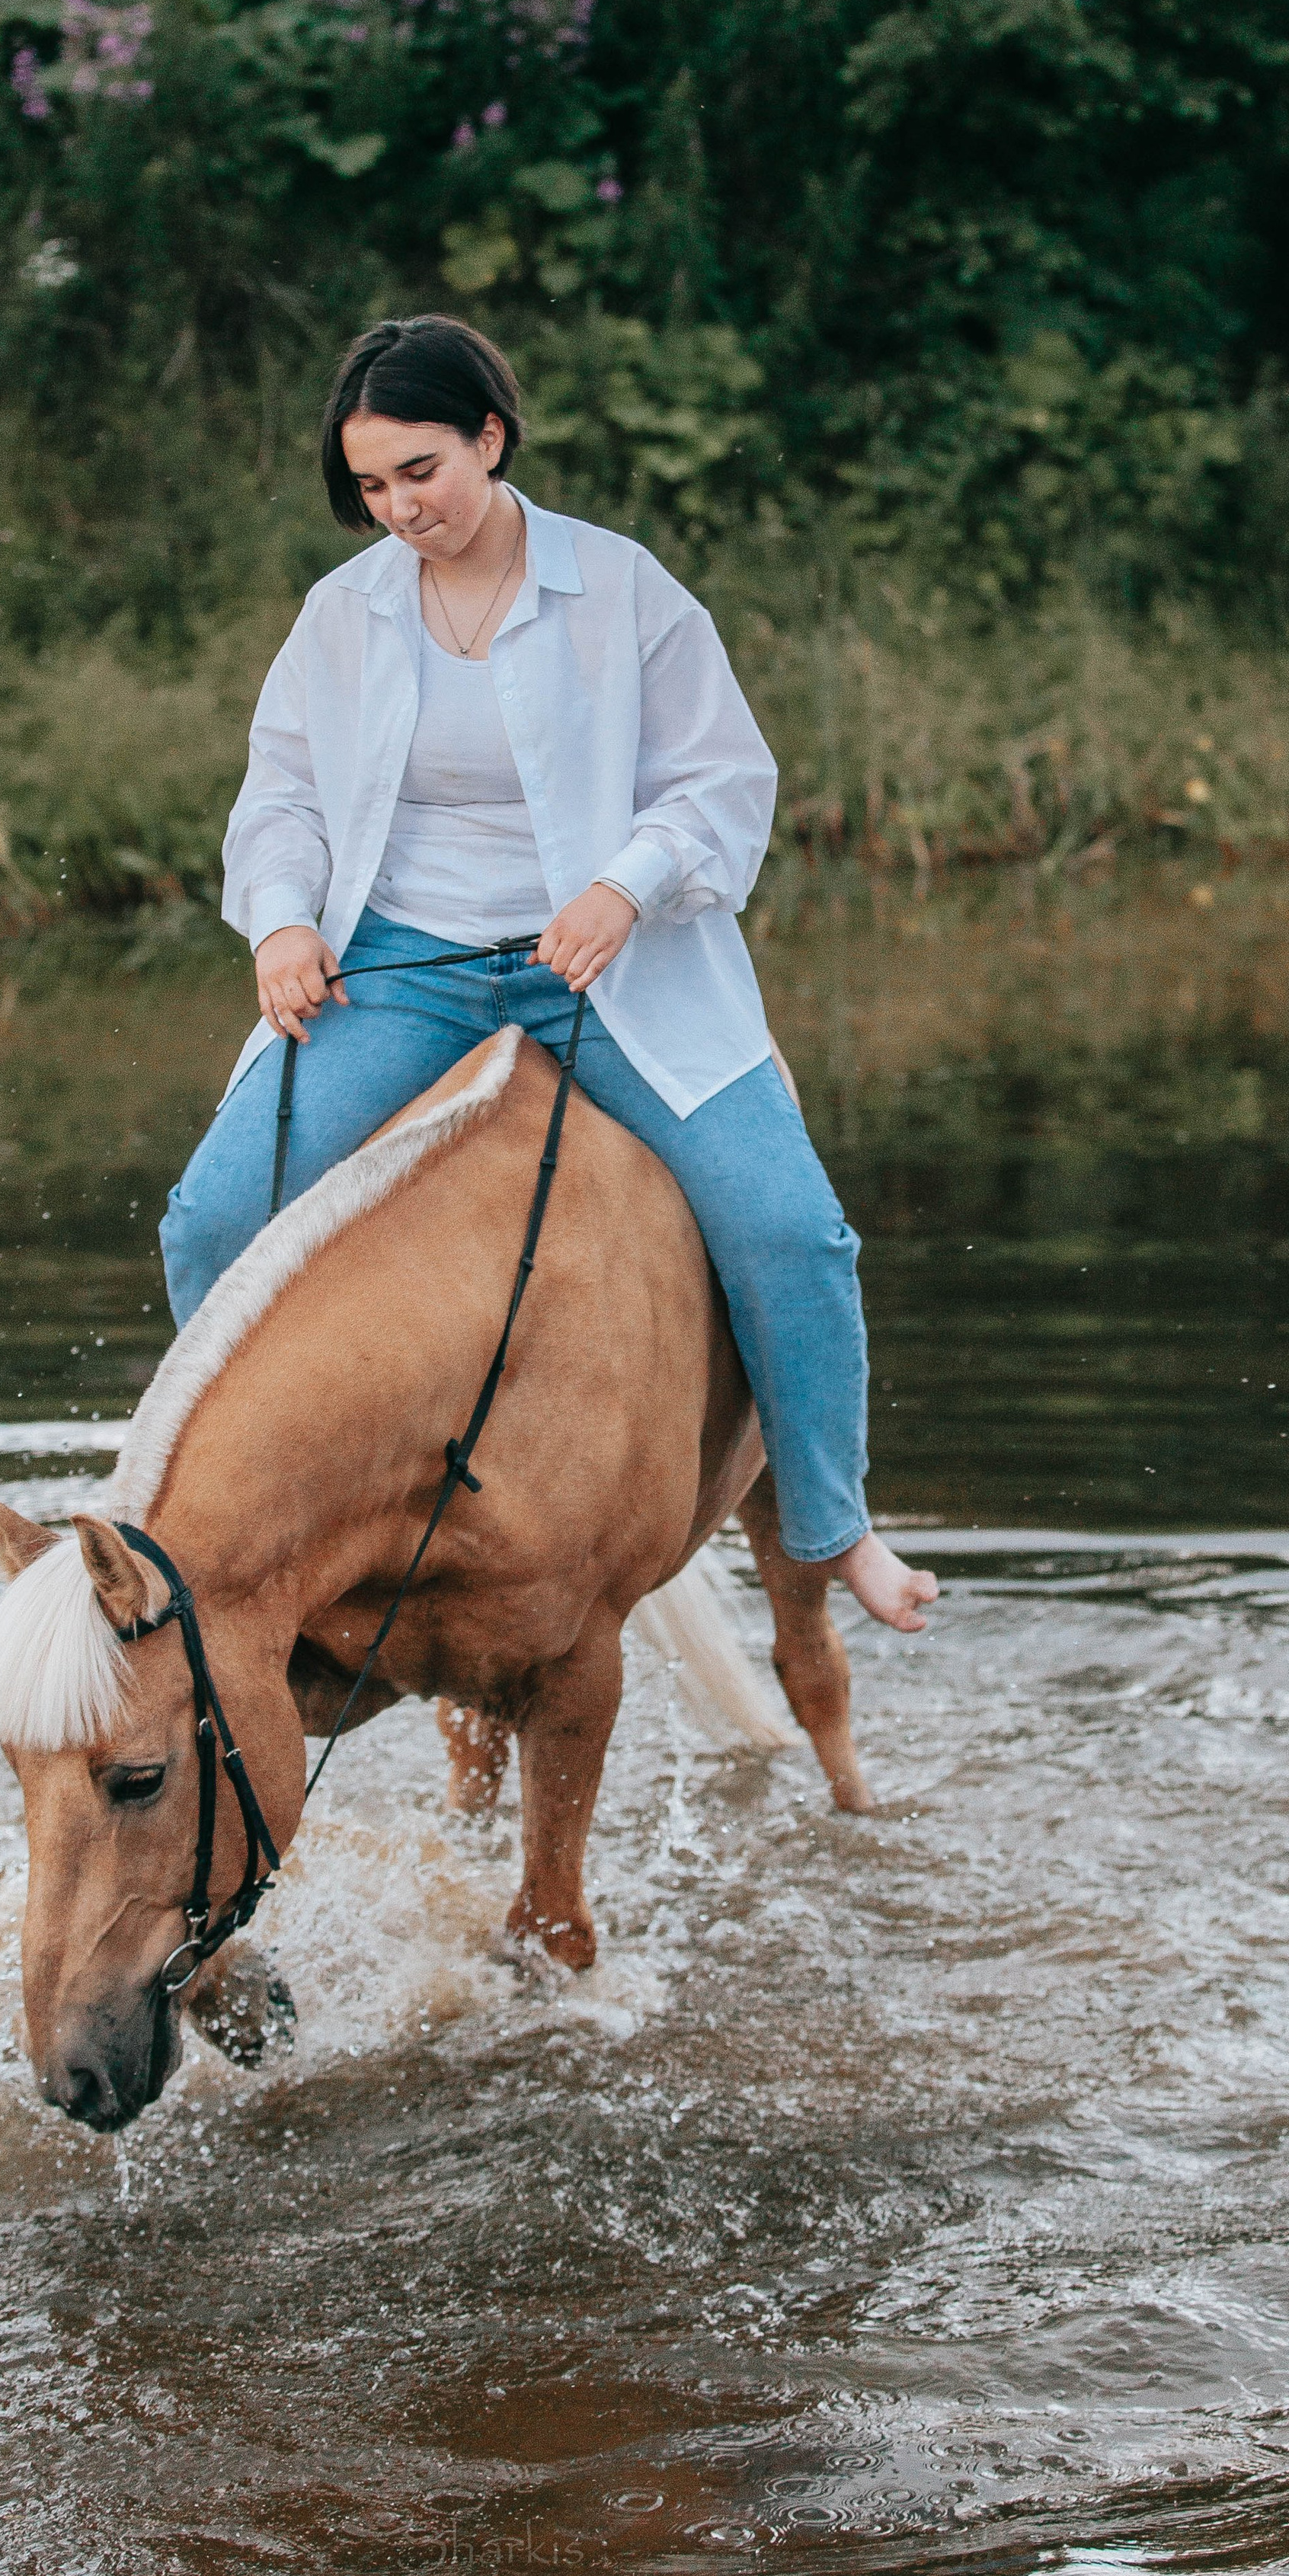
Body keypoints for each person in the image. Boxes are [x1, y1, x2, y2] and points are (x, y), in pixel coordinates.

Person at [162, 315, 936, 1631]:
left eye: (422, 472)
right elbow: (281, 796)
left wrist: (625, 883)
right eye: (371, 488)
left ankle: (833, 1529)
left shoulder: (623, 588)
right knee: (209, 1220)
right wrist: (284, 922)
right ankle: (232, 1519)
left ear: (490, 438)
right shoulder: (340, 615)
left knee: (793, 1231)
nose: (400, 509)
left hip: (604, 967)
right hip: (399, 966)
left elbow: (722, 783)